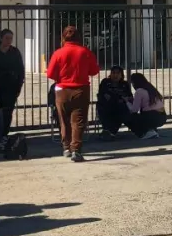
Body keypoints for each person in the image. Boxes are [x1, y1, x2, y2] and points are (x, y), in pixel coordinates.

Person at [46, 25, 100, 162]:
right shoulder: (85, 52)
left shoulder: (58, 53)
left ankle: (66, 147)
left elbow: (51, 73)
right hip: (81, 89)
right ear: (79, 37)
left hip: (62, 89)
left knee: (63, 120)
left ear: (63, 37)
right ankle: (76, 149)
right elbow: (94, 71)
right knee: (78, 121)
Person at [0, 29, 26, 137]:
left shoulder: (15, 52)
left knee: (8, 112)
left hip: (11, 87)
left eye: (11, 38)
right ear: (1, 38)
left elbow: (21, 70)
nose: (9, 41)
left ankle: (4, 134)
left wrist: (19, 85)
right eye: (6, 38)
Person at [124, 72, 167, 139]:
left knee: (130, 117)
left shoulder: (139, 91)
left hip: (151, 117)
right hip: (162, 117)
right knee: (144, 113)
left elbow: (134, 110)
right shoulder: (150, 88)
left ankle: (144, 133)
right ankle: (151, 130)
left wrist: (127, 102)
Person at [97, 65, 133, 139]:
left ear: (121, 75)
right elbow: (102, 95)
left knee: (123, 110)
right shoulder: (105, 82)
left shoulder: (124, 84)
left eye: (118, 73)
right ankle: (107, 130)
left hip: (120, 106)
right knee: (103, 108)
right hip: (106, 106)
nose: (115, 75)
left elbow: (129, 96)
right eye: (113, 73)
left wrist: (121, 98)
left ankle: (111, 132)